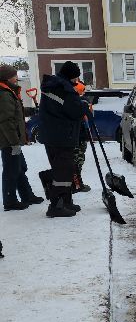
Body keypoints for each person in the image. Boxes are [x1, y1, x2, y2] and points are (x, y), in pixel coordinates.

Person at [37, 61, 90, 218]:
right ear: (71, 76)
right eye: (75, 77)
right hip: (60, 136)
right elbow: (73, 110)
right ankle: (56, 206)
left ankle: (65, 201)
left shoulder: (55, 86)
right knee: (63, 171)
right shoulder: (63, 89)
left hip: (54, 134)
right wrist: (85, 106)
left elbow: (65, 107)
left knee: (65, 169)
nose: (76, 81)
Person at [0, 63, 43, 212]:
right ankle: (10, 201)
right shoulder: (4, 94)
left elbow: (17, 112)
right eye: (14, 76)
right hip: (9, 141)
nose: (16, 78)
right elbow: (6, 120)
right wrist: (14, 142)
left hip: (13, 140)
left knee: (19, 168)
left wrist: (31, 111)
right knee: (11, 170)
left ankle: (27, 196)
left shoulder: (9, 92)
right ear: (7, 78)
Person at [72, 80, 92, 194]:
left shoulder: (82, 101)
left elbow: (89, 116)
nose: (84, 92)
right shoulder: (76, 101)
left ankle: (77, 183)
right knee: (77, 161)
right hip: (77, 136)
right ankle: (76, 184)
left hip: (81, 135)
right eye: (82, 90)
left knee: (79, 159)